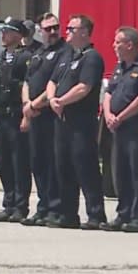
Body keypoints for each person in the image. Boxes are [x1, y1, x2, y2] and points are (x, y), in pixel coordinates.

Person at [46, 14, 106, 229]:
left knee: (86, 168)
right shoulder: (66, 56)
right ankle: (68, 214)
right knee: (63, 167)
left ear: (84, 32)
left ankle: (96, 214)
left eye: (72, 28)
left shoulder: (92, 58)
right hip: (62, 120)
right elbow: (52, 81)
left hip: (81, 122)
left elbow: (84, 87)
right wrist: (53, 99)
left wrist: (61, 100)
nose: (67, 31)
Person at [101, 27, 138, 232]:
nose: (114, 46)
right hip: (118, 129)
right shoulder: (119, 68)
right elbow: (109, 93)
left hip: (136, 130)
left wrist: (121, 117)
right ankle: (123, 214)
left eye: (117, 42)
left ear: (129, 45)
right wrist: (108, 115)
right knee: (120, 173)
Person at [20, 13, 69, 226]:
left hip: (50, 116)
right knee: (37, 163)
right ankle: (42, 207)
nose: (52, 31)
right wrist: (26, 106)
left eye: (55, 27)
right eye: (48, 28)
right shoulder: (38, 52)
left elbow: (54, 84)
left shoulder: (64, 52)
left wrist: (34, 105)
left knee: (52, 164)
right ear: (40, 30)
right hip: (34, 115)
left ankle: (54, 208)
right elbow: (27, 82)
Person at [0, 18, 33, 223]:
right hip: (1, 115)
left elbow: (28, 86)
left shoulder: (25, 58)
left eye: (7, 31)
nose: (3, 35)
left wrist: (26, 115)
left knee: (19, 163)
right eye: (2, 31)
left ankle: (20, 207)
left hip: (16, 116)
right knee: (4, 162)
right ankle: (8, 204)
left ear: (18, 35)